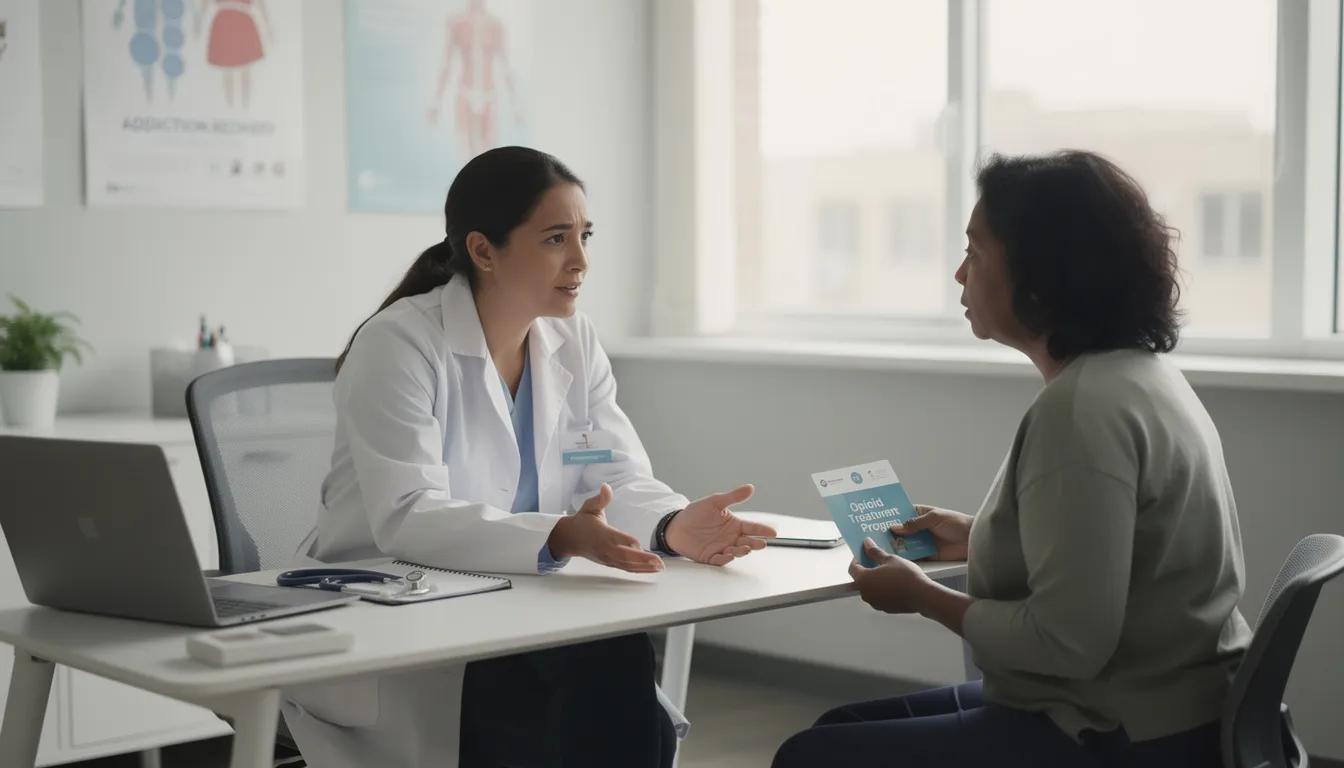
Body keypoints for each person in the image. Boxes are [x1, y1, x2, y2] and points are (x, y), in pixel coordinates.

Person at [282, 146, 777, 768]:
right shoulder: (400, 344)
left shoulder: (572, 339)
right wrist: (559, 535)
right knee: (588, 697)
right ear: (484, 249)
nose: (580, 261)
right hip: (394, 612)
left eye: (585, 236)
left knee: (614, 666)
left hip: (515, 604)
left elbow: (612, 470)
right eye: (554, 238)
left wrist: (671, 525)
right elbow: (408, 516)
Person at [773, 150, 1252, 768]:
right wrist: (975, 539)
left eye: (974, 252)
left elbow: (1066, 642)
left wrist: (923, 596)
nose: (958, 274)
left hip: (1114, 729)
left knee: (812, 756)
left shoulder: (1082, 411)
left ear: (1040, 272)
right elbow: (1114, 557)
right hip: (1170, 710)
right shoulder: (1141, 377)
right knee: (838, 728)